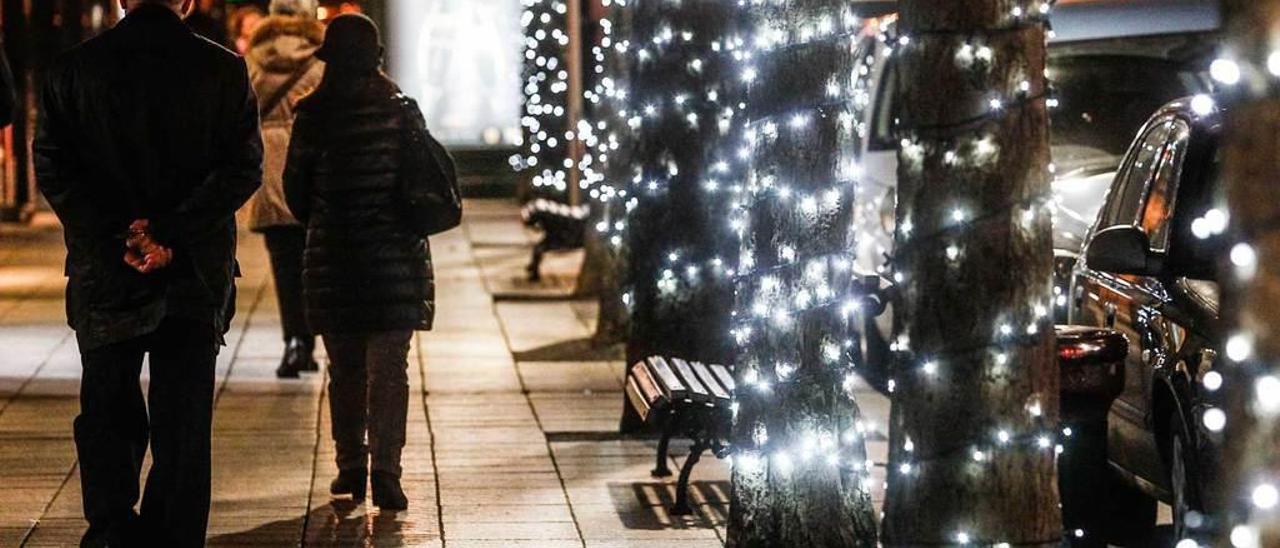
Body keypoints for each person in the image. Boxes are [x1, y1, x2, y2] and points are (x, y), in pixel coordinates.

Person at [33, 0, 262, 545]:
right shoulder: (223, 68)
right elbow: (242, 168)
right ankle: (174, 531)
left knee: (106, 405)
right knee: (184, 415)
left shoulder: (73, 69)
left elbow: (54, 166)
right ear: (185, 2)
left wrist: (121, 234)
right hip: (194, 267)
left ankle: (112, 526)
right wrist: (170, 232)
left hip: (105, 267)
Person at [284, 13, 435, 510]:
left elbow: (296, 194)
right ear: (376, 59)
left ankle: (351, 464)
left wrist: (325, 220)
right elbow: (421, 185)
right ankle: (387, 471)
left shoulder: (312, 115)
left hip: (333, 260)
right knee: (390, 369)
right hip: (393, 262)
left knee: (344, 368)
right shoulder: (400, 111)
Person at [244, 0, 324, 378]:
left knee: (285, 264)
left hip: (270, 167)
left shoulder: (254, 60)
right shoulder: (321, 58)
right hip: (313, 169)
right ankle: (317, 337)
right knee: (319, 261)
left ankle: (295, 341)